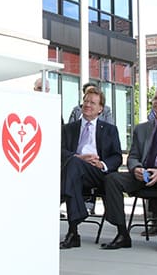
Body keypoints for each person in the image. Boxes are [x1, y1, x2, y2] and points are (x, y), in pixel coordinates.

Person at [100, 85, 157, 253]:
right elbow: (133, 156)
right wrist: (136, 168)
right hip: (143, 174)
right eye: (156, 98)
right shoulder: (141, 129)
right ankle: (122, 233)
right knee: (112, 179)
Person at [60, 87, 122, 249]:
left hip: (97, 171)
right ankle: (73, 231)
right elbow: (60, 151)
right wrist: (78, 157)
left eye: (92, 103)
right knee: (73, 165)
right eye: (86, 101)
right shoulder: (69, 128)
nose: (87, 105)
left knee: (71, 171)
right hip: (75, 169)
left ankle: (73, 230)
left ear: (100, 108)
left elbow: (117, 156)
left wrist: (102, 164)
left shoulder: (109, 130)